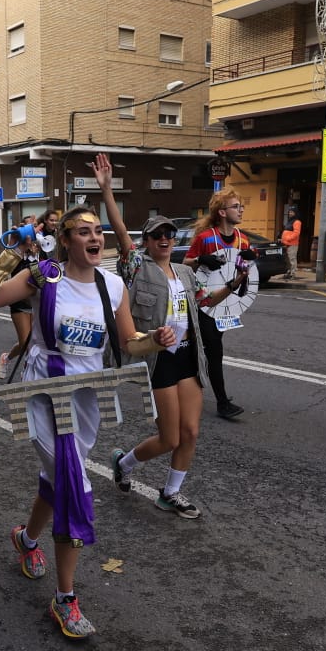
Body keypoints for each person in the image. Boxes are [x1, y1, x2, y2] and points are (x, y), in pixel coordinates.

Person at [0, 200, 139, 639]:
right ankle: (65, 600)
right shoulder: (46, 277)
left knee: (58, 476)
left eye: (97, 230)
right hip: (41, 393)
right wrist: (11, 253)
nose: (94, 237)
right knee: (72, 485)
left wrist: (157, 339)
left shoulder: (112, 285)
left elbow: (131, 343)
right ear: (65, 241)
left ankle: (26, 538)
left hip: (85, 397)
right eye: (82, 232)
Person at [103, 160, 224, 518]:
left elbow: (205, 302)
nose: (165, 240)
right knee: (169, 438)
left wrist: (233, 286)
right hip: (158, 360)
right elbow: (122, 233)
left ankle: (170, 493)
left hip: (188, 358)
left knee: (190, 432)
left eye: (169, 235)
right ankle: (123, 464)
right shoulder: (138, 267)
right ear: (147, 242)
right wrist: (108, 190)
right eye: (158, 236)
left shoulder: (186, 272)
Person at [183, 189, 257, 421]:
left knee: (204, 351)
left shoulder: (242, 238)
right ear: (223, 212)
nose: (241, 209)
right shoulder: (206, 238)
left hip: (226, 303)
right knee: (214, 351)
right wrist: (200, 259)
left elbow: (245, 269)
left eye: (241, 205)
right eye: (236, 206)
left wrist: (250, 260)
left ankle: (185, 383)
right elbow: (186, 264)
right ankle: (222, 403)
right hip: (203, 303)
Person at [0, 208, 61, 380]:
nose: (31, 239)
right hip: (20, 302)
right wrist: (21, 250)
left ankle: (18, 364)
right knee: (25, 341)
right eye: (28, 232)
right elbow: (13, 274)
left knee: (36, 342)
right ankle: (17, 365)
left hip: (37, 302)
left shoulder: (43, 251)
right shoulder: (17, 254)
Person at [280, 211, 303, 280]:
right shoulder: (289, 221)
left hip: (292, 243)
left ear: (295, 213)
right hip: (286, 243)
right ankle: (288, 272)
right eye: (289, 212)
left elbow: (296, 233)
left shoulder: (297, 222)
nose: (290, 213)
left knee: (292, 259)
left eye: (292, 212)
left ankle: (293, 274)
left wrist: (288, 238)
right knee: (287, 259)